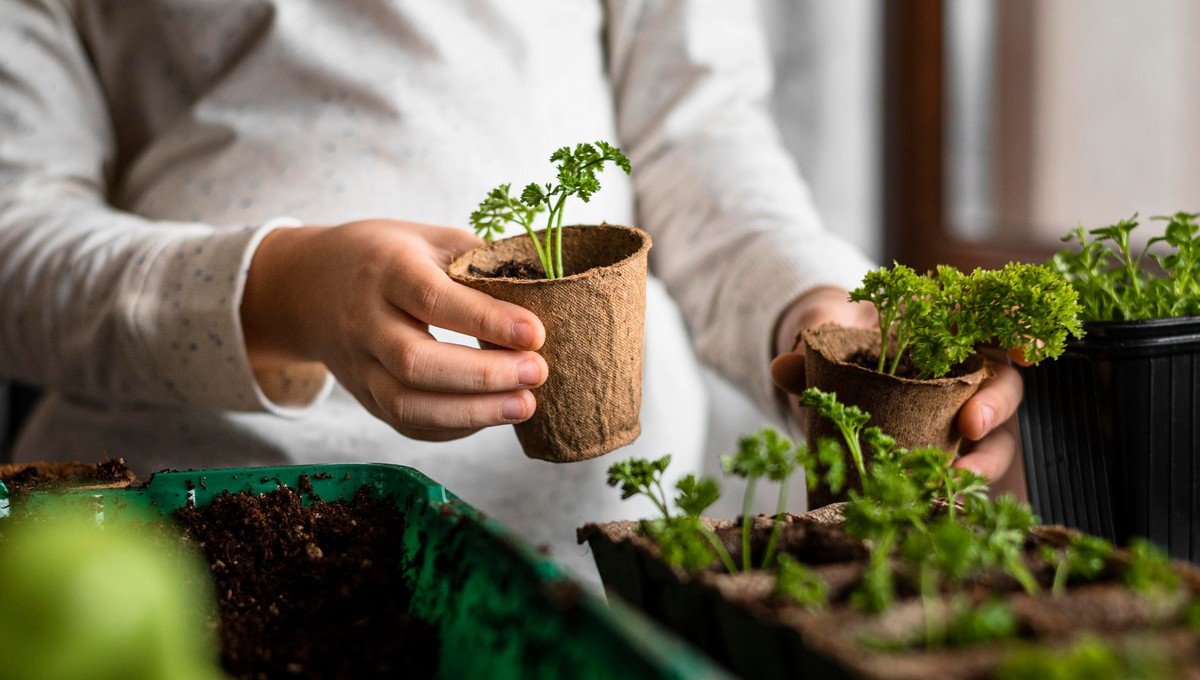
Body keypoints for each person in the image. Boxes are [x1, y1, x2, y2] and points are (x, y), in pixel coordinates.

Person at [0, 1, 1022, 585]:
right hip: (183, 544)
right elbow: (16, 232)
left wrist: (814, 314)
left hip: (603, 552)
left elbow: (698, 136)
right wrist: (277, 290)